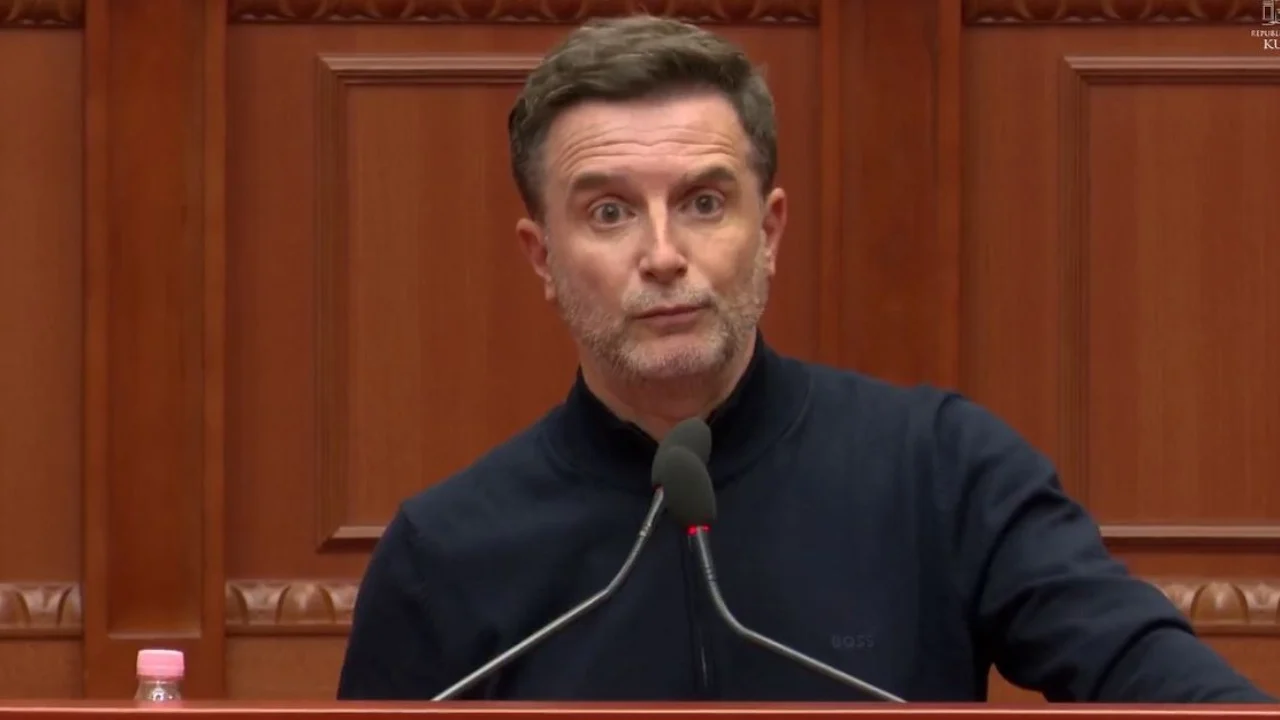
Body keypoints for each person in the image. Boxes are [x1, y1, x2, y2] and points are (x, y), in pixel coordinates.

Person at [336, 14, 1273, 704]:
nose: (663, 254)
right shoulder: (443, 553)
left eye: (704, 203)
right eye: (609, 212)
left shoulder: (941, 467)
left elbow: (1154, 676)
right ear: (542, 257)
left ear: (770, 231)